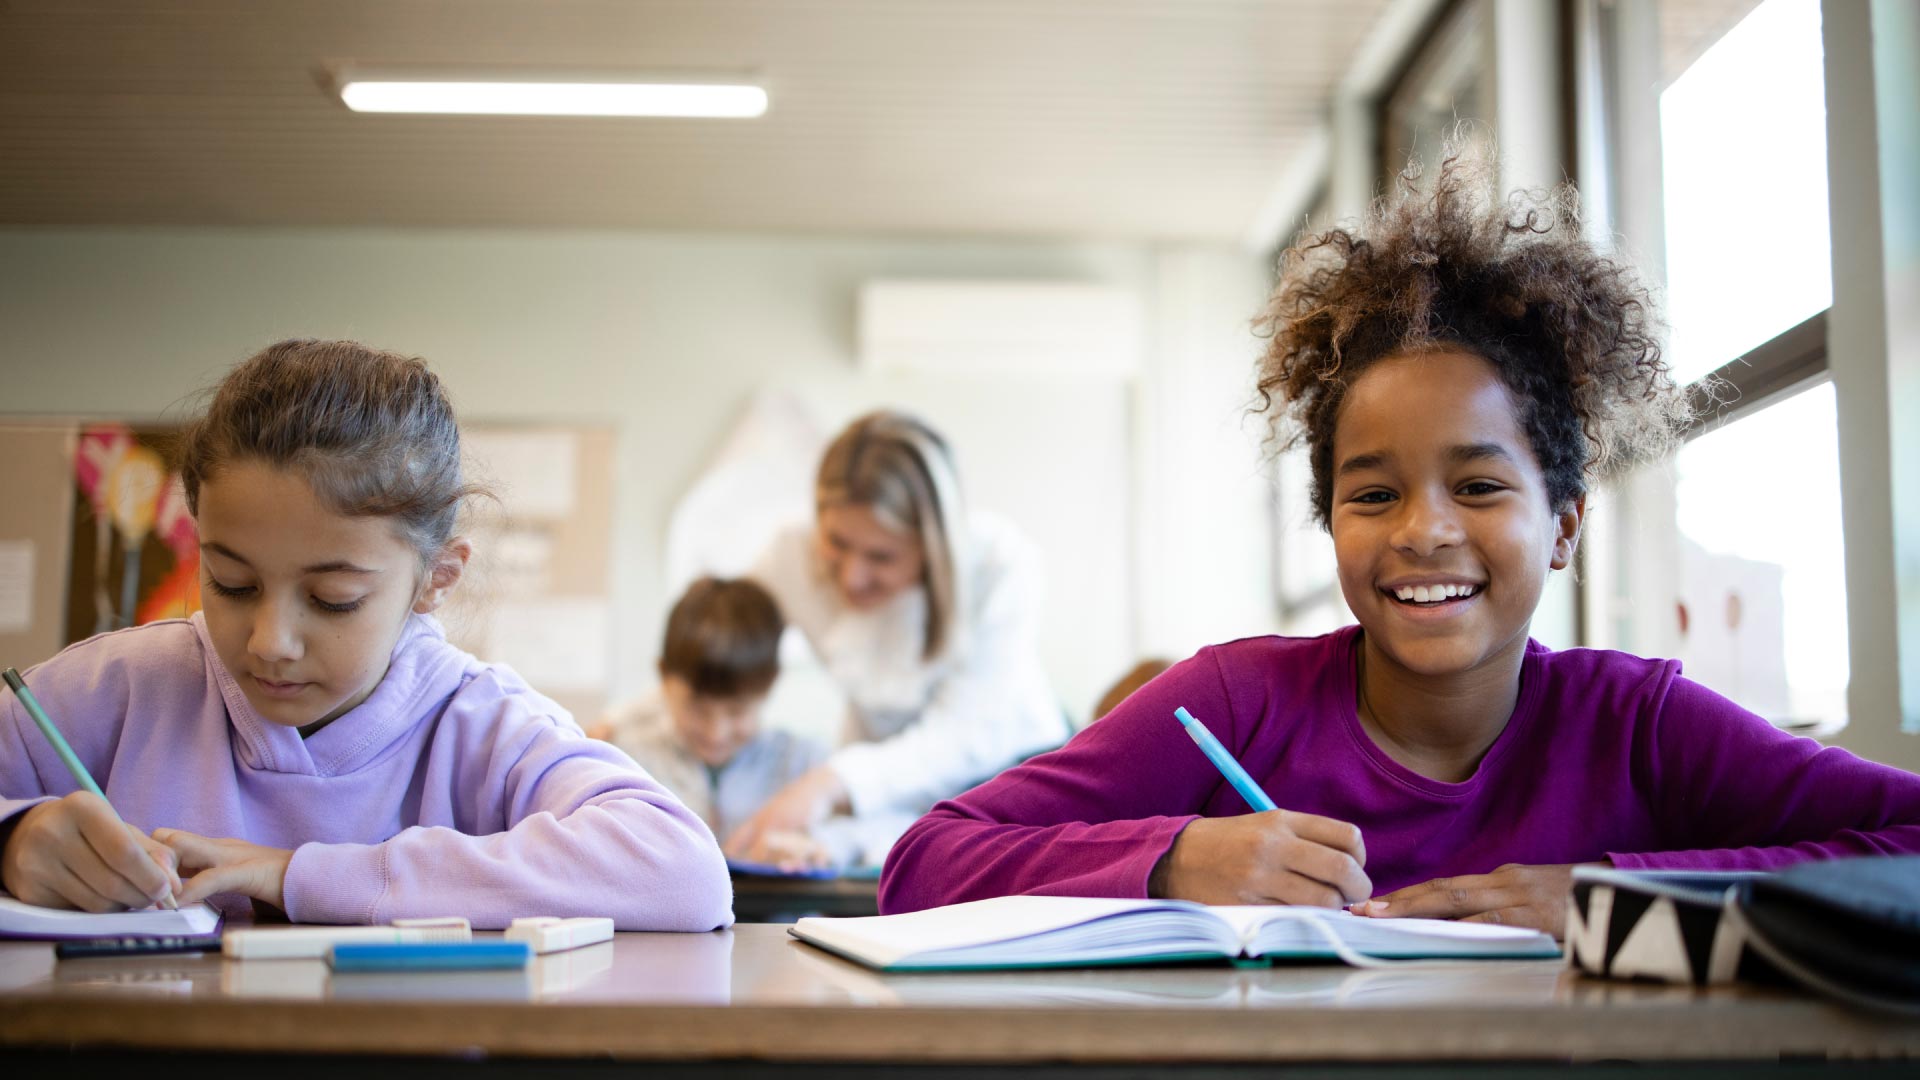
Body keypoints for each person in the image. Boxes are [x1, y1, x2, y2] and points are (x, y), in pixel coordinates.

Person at [879, 153, 1920, 936]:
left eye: (1476, 485)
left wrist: (1615, 895)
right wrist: (1173, 859)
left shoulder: (1636, 725)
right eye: (1372, 493)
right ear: (1331, 520)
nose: (1422, 530)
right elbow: (922, 862)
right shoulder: (1237, 703)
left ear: (1563, 524)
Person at [0, 339, 731, 930]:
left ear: (434, 579)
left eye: (332, 598)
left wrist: (305, 876)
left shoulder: (479, 724)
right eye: (231, 582)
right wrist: (13, 840)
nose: (269, 642)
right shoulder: (121, 687)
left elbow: (683, 872)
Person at [725, 410, 1067, 864]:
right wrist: (637, 725)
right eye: (837, 544)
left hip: (1011, 777)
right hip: (882, 779)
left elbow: (962, 736)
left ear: (930, 546)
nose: (852, 577)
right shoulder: (790, 555)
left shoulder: (997, 564)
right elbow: (722, 646)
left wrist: (830, 784)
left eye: (881, 556)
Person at [592, 576, 829, 857]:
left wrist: (821, 847)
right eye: (696, 707)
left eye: (736, 710)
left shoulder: (803, 765)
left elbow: (865, 838)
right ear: (663, 678)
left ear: (770, 684)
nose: (716, 732)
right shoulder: (625, 761)